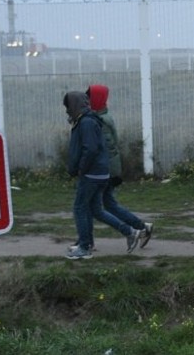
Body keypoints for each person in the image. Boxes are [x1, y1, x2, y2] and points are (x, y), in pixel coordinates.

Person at [85, 84, 153, 252]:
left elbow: (106, 149)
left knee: (93, 207)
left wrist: (99, 170)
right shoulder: (101, 117)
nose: (86, 102)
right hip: (107, 170)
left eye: (89, 98)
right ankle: (142, 228)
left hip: (104, 170)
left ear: (95, 99)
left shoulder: (101, 121)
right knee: (109, 204)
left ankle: (88, 241)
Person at [62, 91, 110, 260]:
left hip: (91, 174)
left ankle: (84, 247)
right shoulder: (86, 120)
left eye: (68, 106)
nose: (67, 110)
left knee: (80, 208)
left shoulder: (86, 122)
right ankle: (86, 243)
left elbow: (90, 149)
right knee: (93, 209)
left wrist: (81, 168)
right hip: (97, 173)